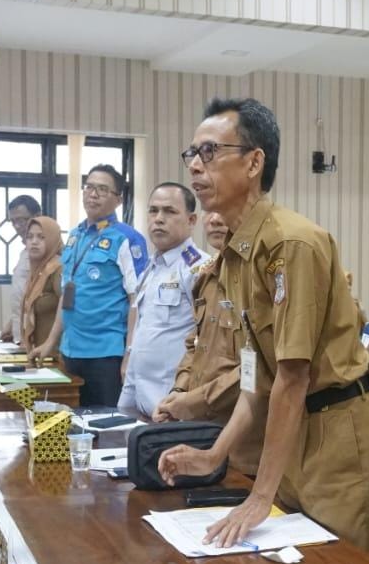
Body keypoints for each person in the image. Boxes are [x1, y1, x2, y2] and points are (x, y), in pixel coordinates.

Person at [157, 97, 369, 557]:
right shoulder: (239, 256)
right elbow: (256, 378)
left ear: (253, 163)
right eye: (191, 155)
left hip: (338, 430)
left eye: (209, 153)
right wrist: (215, 454)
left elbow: (292, 376)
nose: (195, 168)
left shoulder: (290, 243)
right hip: (292, 426)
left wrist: (260, 495)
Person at [155, 211, 263, 475]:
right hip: (204, 434)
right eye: (209, 210)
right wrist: (180, 391)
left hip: (248, 440)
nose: (215, 219)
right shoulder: (207, 274)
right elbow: (196, 342)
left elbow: (261, 366)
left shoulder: (257, 277)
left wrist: (197, 400)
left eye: (225, 208)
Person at [27, 165, 140, 407]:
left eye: (102, 189)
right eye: (89, 187)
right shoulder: (76, 235)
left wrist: (130, 355)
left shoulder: (126, 238)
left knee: (105, 430)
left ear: (118, 200)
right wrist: (50, 342)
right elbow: (67, 295)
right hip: (70, 351)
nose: (93, 194)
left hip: (106, 354)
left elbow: (137, 302)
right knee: (73, 427)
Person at [119, 183, 208, 418]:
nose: (158, 219)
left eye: (169, 211)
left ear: (191, 220)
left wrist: (183, 394)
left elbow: (207, 339)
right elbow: (142, 323)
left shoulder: (198, 269)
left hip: (170, 402)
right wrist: (128, 358)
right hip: (137, 393)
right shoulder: (151, 266)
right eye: (153, 211)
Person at [0, 194, 42, 343]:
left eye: (22, 220)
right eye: (13, 221)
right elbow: (23, 295)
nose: (17, 226)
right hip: (20, 333)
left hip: (38, 336)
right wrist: (11, 324)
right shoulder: (24, 253)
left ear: (37, 216)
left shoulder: (46, 252)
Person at [19, 216, 64, 353]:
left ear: (52, 239)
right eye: (30, 237)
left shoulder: (58, 268)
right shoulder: (37, 270)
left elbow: (68, 306)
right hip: (39, 353)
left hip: (57, 355)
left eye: (41, 237)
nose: (34, 242)